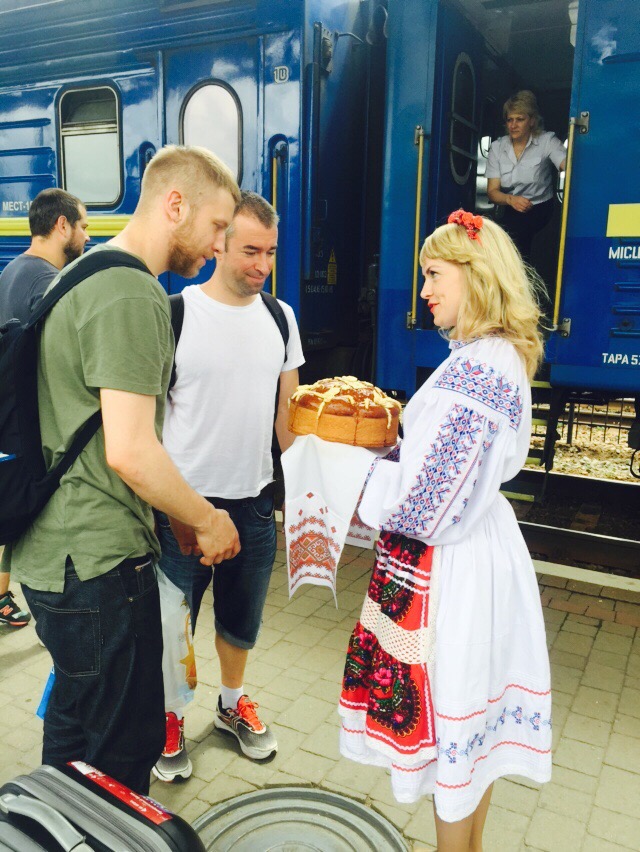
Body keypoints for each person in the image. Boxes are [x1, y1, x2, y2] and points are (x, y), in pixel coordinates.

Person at [1, 145, 242, 794]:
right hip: (97, 565)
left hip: (55, 557)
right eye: (218, 227)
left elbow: (104, 431)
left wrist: (173, 517)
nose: (220, 246)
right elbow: (131, 451)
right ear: (175, 205)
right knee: (123, 753)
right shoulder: (133, 291)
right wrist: (207, 517)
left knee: (77, 729)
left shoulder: (90, 272)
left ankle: (58, 828)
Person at [338, 210, 551, 851]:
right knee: (472, 754)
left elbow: (429, 504)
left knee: (453, 762)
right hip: (480, 554)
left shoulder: (478, 369)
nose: (424, 290)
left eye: (434, 274)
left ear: (476, 276)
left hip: (452, 571)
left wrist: (345, 476)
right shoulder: (492, 357)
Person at [152, 191, 304, 782]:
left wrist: (325, 479)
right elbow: (150, 419)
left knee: (241, 620)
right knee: (172, 624)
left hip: (253, 501)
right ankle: (168, 716)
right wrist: (169, 505)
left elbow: (289, 417)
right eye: (248, 251)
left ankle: (230, 703)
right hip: (181, 509)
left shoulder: (280, 317)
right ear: (219, 245)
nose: (261, 265)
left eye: (269, 252)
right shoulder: (176, 313)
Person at [0, 188, 89, 629]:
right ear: (62, 226)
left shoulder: (12, 270)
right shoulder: (48, 284)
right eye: (84, 225)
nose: (87, 237)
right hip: (29, 429)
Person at [486, 90, 566, 262]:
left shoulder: (547, 141)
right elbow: (493, 192)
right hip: (511, 205)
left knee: (518, 234)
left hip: (540, 206)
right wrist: (510, 200)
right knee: (503, 234)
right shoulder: (497, 148)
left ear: (532, 121)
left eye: (520, 119)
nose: (513, 125)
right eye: (510, 120)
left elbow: (567, 165)